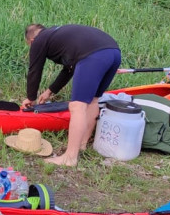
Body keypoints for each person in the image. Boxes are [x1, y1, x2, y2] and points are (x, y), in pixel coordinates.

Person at [22, 24, 121, 167]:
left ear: (31, 41)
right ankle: (81, 145)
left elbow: (34, 70)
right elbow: (69, 69)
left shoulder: (39, 40)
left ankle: (70, 158)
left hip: (93, 56)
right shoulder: (58, 35)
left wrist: (31, 98)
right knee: (93, 100)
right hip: (113, 52)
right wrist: (50, 91)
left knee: (77, 106)